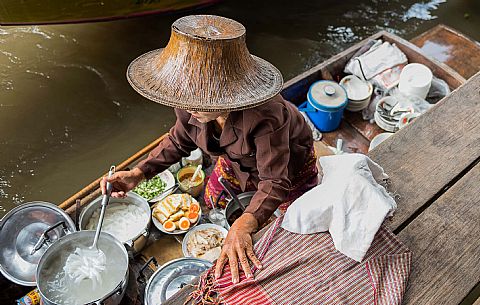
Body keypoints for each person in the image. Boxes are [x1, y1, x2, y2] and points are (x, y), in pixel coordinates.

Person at [99, 15, 318, 284]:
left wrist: (246, 223)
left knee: (291, 225)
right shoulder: (187, 100)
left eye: (200, 102)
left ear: (229, 94)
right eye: (187, 99)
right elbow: (180, 140)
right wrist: (139, 173)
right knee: (214, 196)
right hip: (235, 161)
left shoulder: (266, 115)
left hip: (287, 167)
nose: (190, 108)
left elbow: (275, 180)